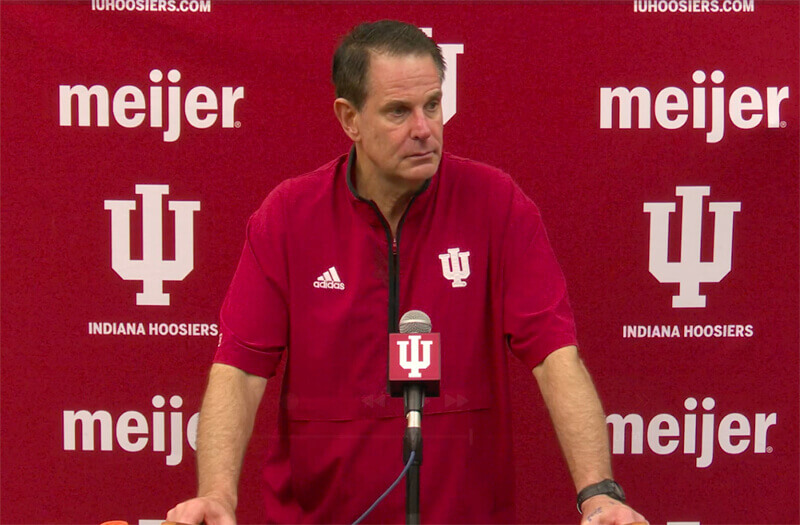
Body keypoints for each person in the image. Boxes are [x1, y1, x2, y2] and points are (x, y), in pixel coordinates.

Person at [167, 20, 648, 525]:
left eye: (433, 105)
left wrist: (598, 492)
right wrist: (218, 494)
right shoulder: (288, 215)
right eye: (399, 111)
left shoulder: (497, 204)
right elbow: (240, 369)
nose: (424, 129)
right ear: (349, 118)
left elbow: (555, 357)